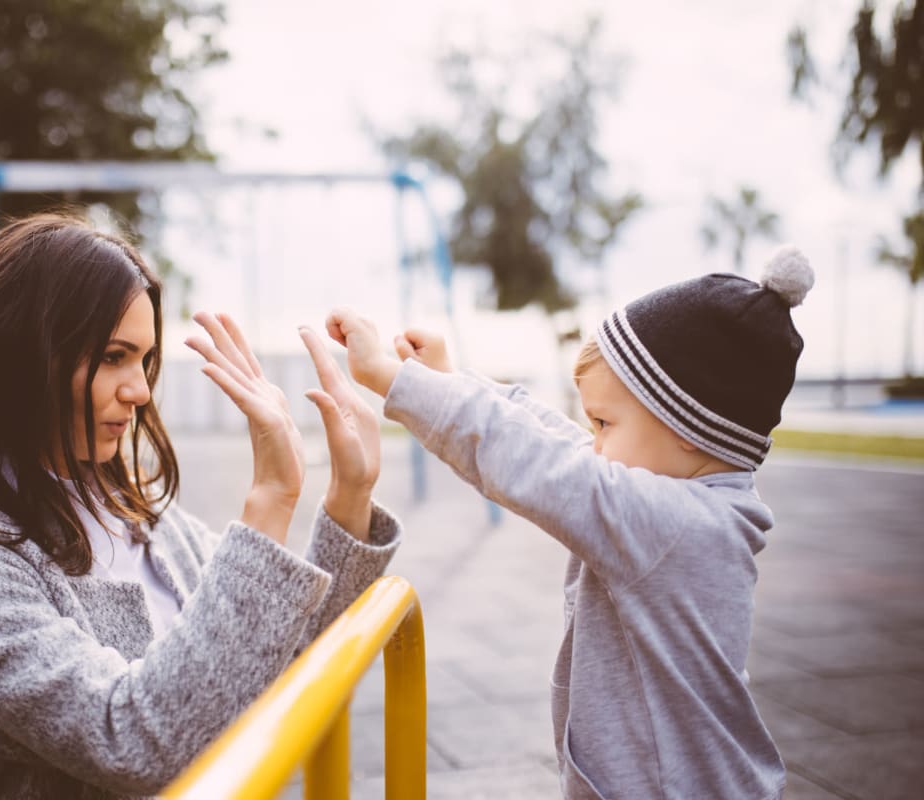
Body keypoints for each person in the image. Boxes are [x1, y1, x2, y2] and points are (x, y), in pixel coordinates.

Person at [0, 213, 400, 799]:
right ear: (18, 356)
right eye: (113, 356)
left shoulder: (139, 517)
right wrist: (270, 501)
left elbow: (275, 653)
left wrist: (350, 495)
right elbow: (132, 741)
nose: (138, 390)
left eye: (143, 360)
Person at [324, 245, 815, 799]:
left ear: (688, 428)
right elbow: (558, 440)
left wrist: (395, 382)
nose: (595, 441)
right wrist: (449, 379)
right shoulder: (688, 499)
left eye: (605, 422)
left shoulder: (673, 524)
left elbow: (539, 461)